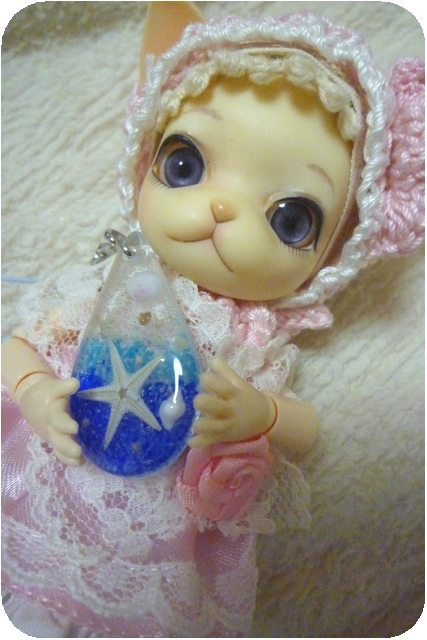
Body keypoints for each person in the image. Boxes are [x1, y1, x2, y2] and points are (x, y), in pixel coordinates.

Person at [2, 2, 424, 637]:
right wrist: (35, 392)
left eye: (290, 219)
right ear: (145, 159)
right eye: (185, 165)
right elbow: (17, 345)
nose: (221, 209)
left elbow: (306, 430)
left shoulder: (249, 337)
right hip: (41, 480)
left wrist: (262, 414)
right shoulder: (117, 283)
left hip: (156, 537)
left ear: (331, 259)